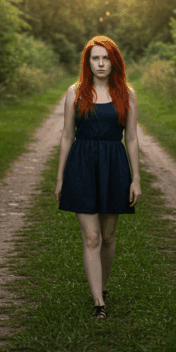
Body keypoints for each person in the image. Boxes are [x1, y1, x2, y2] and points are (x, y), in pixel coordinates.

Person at [54, 36, 141, 320]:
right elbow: (67, 136)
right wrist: (60, 178)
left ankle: (103, 286)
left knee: (107, 237)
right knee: (91, 237)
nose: (101, 64)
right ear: (88, 62)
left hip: (114, 165)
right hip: (81, 164)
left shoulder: (126, 94)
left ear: (114, 62)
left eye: (106, 58)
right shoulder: (75, 93)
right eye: (95, 59)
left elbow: (132, 139)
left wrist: (136, 178)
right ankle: (98, 303)